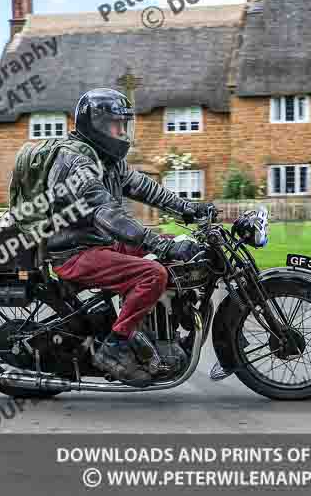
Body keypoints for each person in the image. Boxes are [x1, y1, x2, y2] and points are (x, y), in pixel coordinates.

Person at [43, 88, 213, 382]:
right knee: (154, 274)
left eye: (125, 124)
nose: (122, 131)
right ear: (95, 125)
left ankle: (144, 329)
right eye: (115, 124)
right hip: (74, 252)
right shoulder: (77, 164)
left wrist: (188, 208)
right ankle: (116, 345)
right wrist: (157, 242)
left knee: (171, 251)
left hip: (96, 242)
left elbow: (146, 189)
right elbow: (109, 216)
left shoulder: (106, 159)